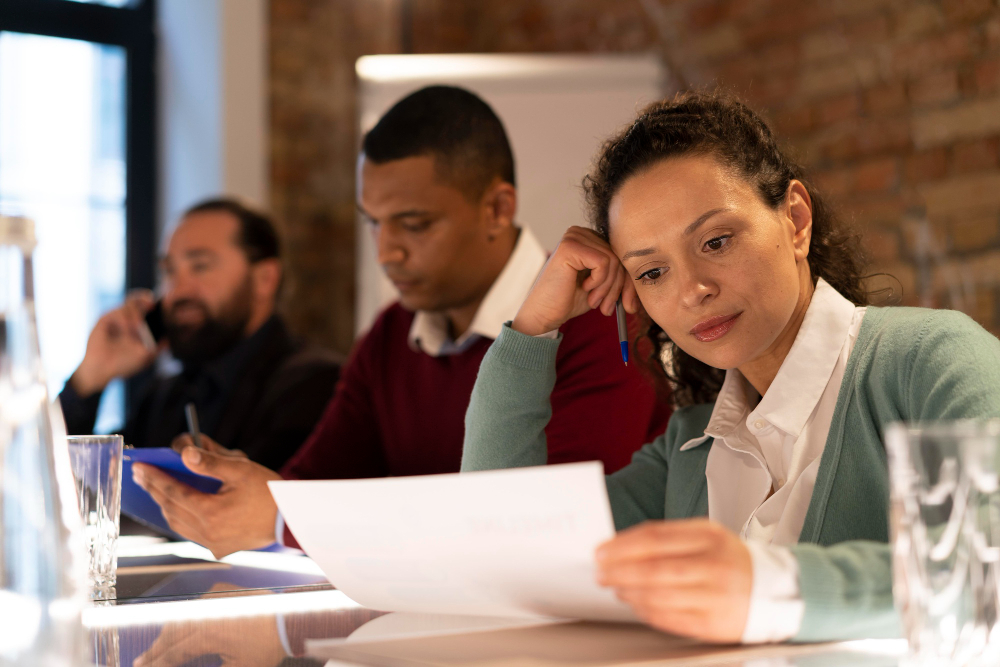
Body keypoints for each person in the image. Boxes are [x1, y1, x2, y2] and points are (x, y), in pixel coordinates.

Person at [461, 91, 1000, 644]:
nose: (693, 290)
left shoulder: (931, 360)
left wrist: (769, 587)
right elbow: (505, 558)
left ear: (795, 220)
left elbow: (987, 571)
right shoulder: (686, 451)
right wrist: (531, 331)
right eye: (651, 273)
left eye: (715, 241)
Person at [131, 86, 671, 558]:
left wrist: (281, 517)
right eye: (374, 223)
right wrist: (243, 488)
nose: (386, 252)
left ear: (497, 208)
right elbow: (313, 483)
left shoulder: (602, 315)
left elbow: (545, 528)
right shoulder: (391, 334)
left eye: (413, 224)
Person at [60, 198, 341, 471]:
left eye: (200, 266)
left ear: (264, 279)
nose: (177, 291)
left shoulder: (315, 386)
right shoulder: (164, 396)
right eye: (169, 271)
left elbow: (276, 494)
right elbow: (71, 478)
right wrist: (89, 378)